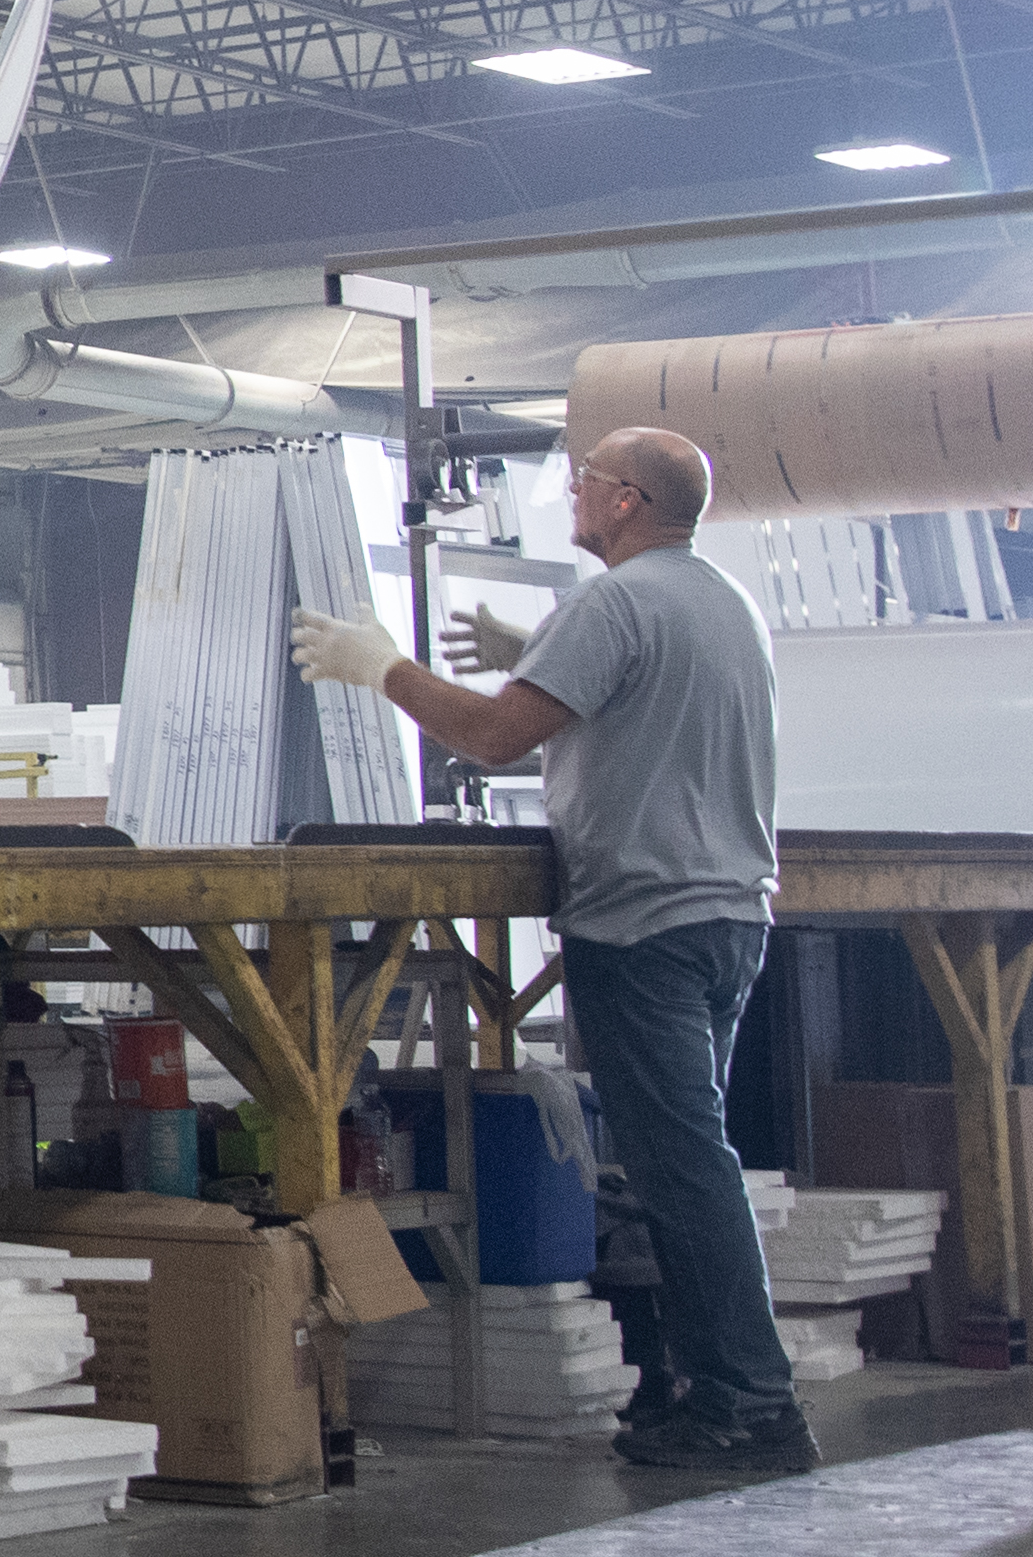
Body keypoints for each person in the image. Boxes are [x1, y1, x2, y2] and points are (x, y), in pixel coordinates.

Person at [295, 424, 805, 1473]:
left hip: (645, 922)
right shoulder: (720, 599)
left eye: (585, 480)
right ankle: (708, 1388)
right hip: (725, 916)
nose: (572, 492)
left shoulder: (616, 601)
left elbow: (488, 738)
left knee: (683, 1168)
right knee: (679, 1164)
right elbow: (642, 706)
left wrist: (382, 666)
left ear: (625, 502)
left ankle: (752, 1403)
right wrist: (534, 648)